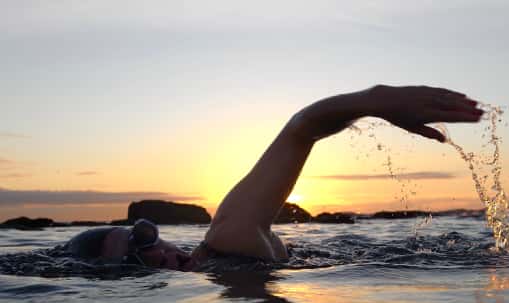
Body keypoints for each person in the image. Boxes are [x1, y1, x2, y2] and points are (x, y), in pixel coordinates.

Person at [67, 85, 483, 271]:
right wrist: (375, 101)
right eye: (136, 256)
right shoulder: (225, 256)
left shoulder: (229, 235)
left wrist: (375, 100)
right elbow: (301, 129)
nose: (156, 251)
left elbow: (302, 127)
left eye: (146, 234)